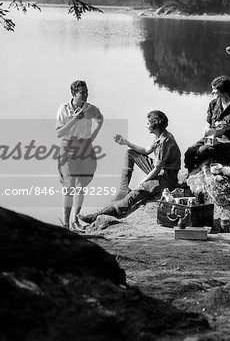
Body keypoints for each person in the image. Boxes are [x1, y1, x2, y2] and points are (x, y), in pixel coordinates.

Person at [78, 110, 181, 224]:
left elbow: (156, 170)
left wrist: (143, 182)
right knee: (130, 153)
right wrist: (126, 142)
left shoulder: (164, 142)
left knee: (136, 193)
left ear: (155, 125)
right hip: (161, 170)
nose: (146, 125)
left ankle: (100, 215)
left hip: (167, 178)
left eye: (148, 123)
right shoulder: (160, 136)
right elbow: (146, 151)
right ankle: (124, 188)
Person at [56, 80, 103, 231]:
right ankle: (65, 224)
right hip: (68, 148)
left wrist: (92, 137)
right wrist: (75, 119)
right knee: (69, 187)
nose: (86, 94)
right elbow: (59, 133)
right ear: (74, 94)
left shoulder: (91, 109)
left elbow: (100, 120)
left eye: (86, 91)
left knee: (81, 186)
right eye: (82, 92)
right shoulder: (63, 109)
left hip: (85, 148)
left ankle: (75, 221)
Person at [184, 75, 230, 172]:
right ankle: (190, 173)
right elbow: (208, 124)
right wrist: (206, 132)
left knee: (202, 151)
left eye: (214, 89)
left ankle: (198, 170)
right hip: (211, 137)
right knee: (190, 151)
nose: (212, 92)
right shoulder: (213, 104)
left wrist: (229, 126)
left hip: (226, 142)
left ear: (223, 90)